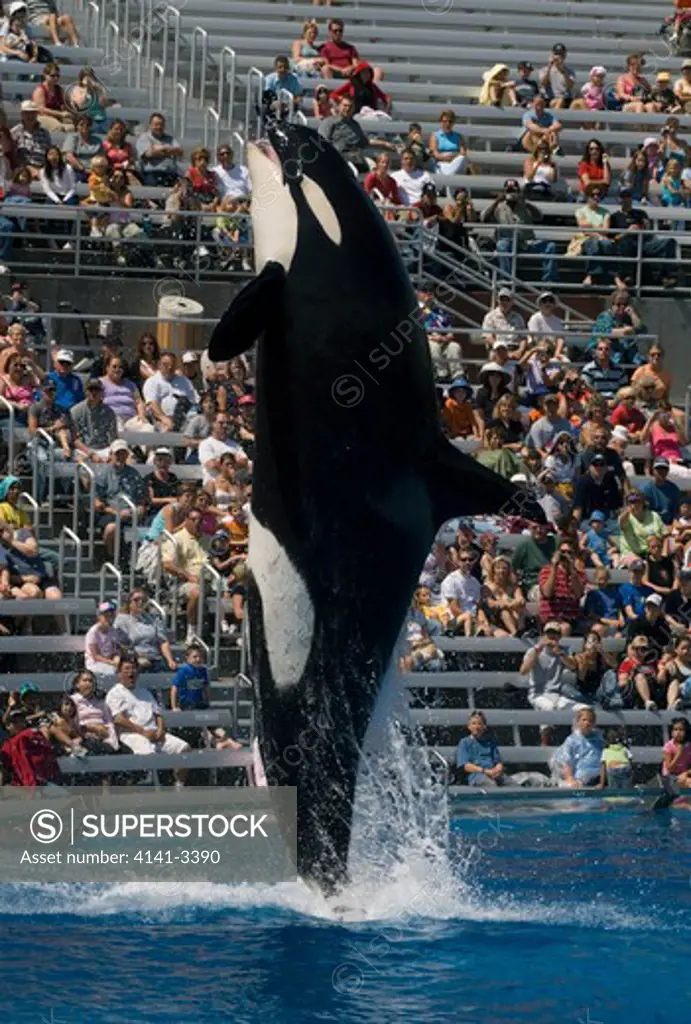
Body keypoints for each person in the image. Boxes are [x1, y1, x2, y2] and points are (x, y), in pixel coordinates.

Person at [105, 656, 190, 785]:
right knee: (149, 757)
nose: (131, 672)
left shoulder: (144, 691)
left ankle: (179, 786)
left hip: (155, 732)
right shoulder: (115, 693)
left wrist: (160, 730)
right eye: (126, 669)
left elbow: (158, 714)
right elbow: (118, 719)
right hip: (131, 734)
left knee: (184, 749)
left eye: (133, 669)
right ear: (119, 673)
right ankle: (150, 791)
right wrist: (143, 732)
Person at [481, 178, 557, 283]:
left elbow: (539, 216)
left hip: (527, 242)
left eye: (514, 191)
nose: (511, 194)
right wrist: (497, 201)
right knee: (502, 245)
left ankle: (548, 282)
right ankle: (506, 280)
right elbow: (484, 218)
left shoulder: (525, 205)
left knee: (550, 246)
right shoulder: (498, 206)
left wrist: (525, 202)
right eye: (508, 191)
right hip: (509, 243)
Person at [610, 191, 677, 289]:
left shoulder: (641, 213)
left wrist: (645, 227)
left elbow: (649, 232)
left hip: (644, 243)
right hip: (627, 245)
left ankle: (665, 277)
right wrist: (627, 232)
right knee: (626, 244)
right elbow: (614, 239)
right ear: (619, 200)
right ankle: (627, 276)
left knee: (670, 242)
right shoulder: (614, 217)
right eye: (623, 197)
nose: (626, 200)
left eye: (628, 197)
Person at [94, 439, 149, 558]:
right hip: (110, 513)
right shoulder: (103, 473)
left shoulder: (134, 474)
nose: (120, 457)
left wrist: (134, 512)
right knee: (111, 528)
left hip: (130, 514)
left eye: (123, 453)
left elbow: (141, 502)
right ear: (111, 455)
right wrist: (117, 512)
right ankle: (112, 556)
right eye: (117, 453)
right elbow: (97, 502)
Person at [161, 507, 207, 642]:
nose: (197, 522)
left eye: (199, 519)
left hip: (209, 581)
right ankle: (192, 631)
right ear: (186, 521)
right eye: (193, 519)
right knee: (196, 592)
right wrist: (188, 576)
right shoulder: (176, 539)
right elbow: (167, 564)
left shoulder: (206, 539)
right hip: (184, 582)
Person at [520, 623, 586, 713]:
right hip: (537, 694)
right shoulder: (533, 650)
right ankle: (546, 727)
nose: (552, 637)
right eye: (549, 634)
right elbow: (523, 671)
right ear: (543, 636)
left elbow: (573, 666)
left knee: (583, 709)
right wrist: (537, 651)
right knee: (550, 708)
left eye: (555, 634)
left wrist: (560, 653)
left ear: (559, 637)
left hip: (556, 694)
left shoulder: (564, 651)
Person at [0, 707, 61, 786]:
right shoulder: (7, 746)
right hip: (25, 785)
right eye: (15, 722)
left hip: (44, 780)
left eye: (21, 720)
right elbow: (7, 768)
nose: (19, 724)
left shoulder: (31, 733)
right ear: (8, 726)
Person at [538, 541, 586, 634]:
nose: (565, 555)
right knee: (563, 628)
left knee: (565, 627)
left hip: (571, 618)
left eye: (569, 552)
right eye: (563, 552)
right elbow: (547, 593)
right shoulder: (547, 570)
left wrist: (572, 570)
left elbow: (578, 594)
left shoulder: (578, 574)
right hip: (550, 617)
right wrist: (554, 568)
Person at [143, 351, 197, 432]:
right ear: (159, 365)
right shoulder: (152, 382)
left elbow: (193, 401)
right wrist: (164, 419)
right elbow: (152, 405)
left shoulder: (185, 381)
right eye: (165, 364)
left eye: (172, 364)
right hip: (159, 420)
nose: (169, 367)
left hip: (184, 419)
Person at [575, 189, 619, 288]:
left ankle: (614, 276)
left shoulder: (605, 212)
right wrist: (598, 231)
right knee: (594, 243)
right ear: (588, 197)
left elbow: (606, 230)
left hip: (602, 239)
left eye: (598, 195)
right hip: (586, 239)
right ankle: (591, 275)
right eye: (593, 194)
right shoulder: (580, 211)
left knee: (607, 244)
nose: (596, 197)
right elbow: (583, 229)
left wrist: (591, 226)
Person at [553, 708, 604, 787]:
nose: (587, 723)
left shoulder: (598, 739)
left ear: (594, 724)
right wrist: (570, 778)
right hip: (581, 777)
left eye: (590, 721)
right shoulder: (572, 740)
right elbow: (566, 761)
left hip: (598, 776)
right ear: (578, 721)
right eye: (584, 720)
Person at [70, 669, 118, 751]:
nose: (88, 683)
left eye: (91, 681)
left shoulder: (101, 702)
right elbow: (70, 724)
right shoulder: (72, 701)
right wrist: (90, 727)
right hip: (83, 736)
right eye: (85, 680)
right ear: (77, 684)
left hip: (103, 737)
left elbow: (109, 722)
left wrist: (107, 735)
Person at [71, 377, 118, 463]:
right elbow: (75, 440)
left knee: (119, 459)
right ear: (86, 392)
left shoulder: (109, 412)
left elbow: (113, 437)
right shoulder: (75, 411)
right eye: (91, 389)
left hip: (103, 448)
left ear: (102, 392)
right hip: (84, 449)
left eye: (97, 390)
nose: (94, 393)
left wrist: (112, 453)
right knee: (80, 460)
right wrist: (91, 454)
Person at [318, 95, 370, 171]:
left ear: (354, 108)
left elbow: (364, 142)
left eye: (350, 106)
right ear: (339, 106)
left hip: (355, 158)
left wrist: (384, 144)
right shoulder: (329, 122)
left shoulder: (355, 125)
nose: (347, 109)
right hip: (337, 158)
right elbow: (322, 142)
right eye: (345, 105)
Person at [100, 353, 149, 431]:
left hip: (131, 419)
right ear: (107, 368)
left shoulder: (131, 384)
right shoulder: (100, 383)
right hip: (112, 419)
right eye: (114, 366)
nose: (117, 369)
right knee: (119, 431)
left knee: (148, 429)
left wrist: (142, 415)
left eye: (120, 367)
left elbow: (139, 402)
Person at [440, 551, 484, 636]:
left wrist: (484, 622)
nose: (467, 562)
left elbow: (478, 607)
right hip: (453, 620)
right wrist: (475, 621)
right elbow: (454, 609)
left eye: (470, 560)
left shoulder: (475, 582)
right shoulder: (451, 580)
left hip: (473, 619)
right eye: (463, 560)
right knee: (469, 617)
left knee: (498, 633)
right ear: (458, 562)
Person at [456, 711, 504, 787]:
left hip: (494, 774)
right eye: (474, 723)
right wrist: (485, 771)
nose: (477, 727)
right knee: (492, 785)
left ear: (484, 726)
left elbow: (498, 762)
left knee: (514, 786)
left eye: (479, 724)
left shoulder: (490, 742)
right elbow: (466, 766)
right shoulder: (464, 742)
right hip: (477, 776)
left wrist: (498, 770)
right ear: (469, 726)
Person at [618, 635, 665, 710]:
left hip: (653, 690)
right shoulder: (627, 663)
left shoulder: (651, 662)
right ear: (633, 649)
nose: (642, 652)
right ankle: (647, 702)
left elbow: (661, 667)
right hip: (634, 695)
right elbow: (622, 683)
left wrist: (662, 671)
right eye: (639, 649)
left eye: (645, 649)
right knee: (640, 676)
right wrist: (631, 673)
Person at [135, 112, 183, 187]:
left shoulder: (170, 138)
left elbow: (180, 151)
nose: (159, 127)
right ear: (150, 125)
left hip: (171, 174)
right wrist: (167, 148)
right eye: (156, 124)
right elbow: (149, 154)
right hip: (152, 174)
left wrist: (157, 148)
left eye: (161, 124)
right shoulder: (144, 138)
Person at [512, 519, 556, 599]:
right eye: (535, 527)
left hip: (556, 581)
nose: (538, 530)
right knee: (545, 594)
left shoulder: (556, 542)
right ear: (529, 528)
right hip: (534, 585)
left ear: (547, 527)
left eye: (541, 527)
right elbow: (512, 569)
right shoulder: (524, 546)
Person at [198, 412, 245, 486]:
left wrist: (219, 462)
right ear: (213, 424)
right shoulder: (206, 444)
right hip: (214, 486)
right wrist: (232, 467)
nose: (225, 426)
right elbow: (212, 465)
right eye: (221, 423)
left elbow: (244, 461)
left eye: (227, 423)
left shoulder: (235, 445)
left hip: (233, 485)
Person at [482, 555, 525, 636]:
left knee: (520, 608)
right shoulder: (487, 587)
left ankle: (521, 631)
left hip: (514, 617)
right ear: (493, 570)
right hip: (495, 620)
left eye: (504, 568)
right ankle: (515, 632)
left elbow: (521, 600)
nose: (501, 570)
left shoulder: (513, 587)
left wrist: (507, 603)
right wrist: (510, 603)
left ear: (509, 570)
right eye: (498, 568)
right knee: (504, 611)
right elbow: (491, 604)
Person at [618, 491, 666, 560]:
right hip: (633, 553)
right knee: (639, 564)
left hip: (654, 551)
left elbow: (665, 534)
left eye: (637, 501)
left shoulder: (654, 515)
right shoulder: (626, 517)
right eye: (631, 502)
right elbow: (621, 522)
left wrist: (664, 553)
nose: (635, 504)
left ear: (643, 502)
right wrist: (627, 511)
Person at [84, 599, 126, 678]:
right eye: (106, 615)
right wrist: (111, 662)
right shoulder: (93, 632)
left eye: (111, 615)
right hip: (94, 663)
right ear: (99, 616)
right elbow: (95, 656)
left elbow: (116, 649)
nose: (109, 618)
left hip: (109, 662)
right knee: (112, 672)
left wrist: (117, 658)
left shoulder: (113, 631)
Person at [11, 99, 51, 177]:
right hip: (23, 170)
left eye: (33, 113)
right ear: (22, 114)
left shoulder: (44, 133)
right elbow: (13, 157)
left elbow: (48, 154)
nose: (30, 116)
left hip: (42, 169)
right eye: (27, 113)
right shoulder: (14, 132)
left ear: (36, 114)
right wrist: (29, 169)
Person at [31, 62, 74, 134]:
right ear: (45, 75)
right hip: (42, 117)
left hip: (57, 117)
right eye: (53, 76)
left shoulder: (59, 89)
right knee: (57, 127)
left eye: (58, 76)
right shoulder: (40, 90)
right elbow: (41, 110)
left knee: (72, 127)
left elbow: (66, 104)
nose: (56, 78)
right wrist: (60, 114)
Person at [170, 642, 210, 710]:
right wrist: (174, 707)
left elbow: (205, 687)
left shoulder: (203, 670)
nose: (198, 659)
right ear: (187, 658)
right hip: (186, 704)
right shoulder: (183, 670)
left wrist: (207, 702)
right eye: (195, 657)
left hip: (198, 703)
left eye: (200, 657)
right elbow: (174, 688)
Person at [429, 110, 467, 177]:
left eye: (450, 121)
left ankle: (449, 182)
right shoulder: (435, 136)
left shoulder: (459, 136)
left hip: (455, 162)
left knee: (462, 158)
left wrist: (452, 156)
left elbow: (463, 153)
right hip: (442, 162)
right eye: (445, 121)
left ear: (453, 123)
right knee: (447, 170)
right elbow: (434, 154)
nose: (448, 124)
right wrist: (445, 157)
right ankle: (450, 182)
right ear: (440, 122)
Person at [539, 42, 576, 109]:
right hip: (549, 98)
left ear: (564, 55)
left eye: (561, 54)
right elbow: (543, 83)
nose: (559, 56)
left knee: (579, 102)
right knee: (559, 101)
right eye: (556, 54)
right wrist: (549, 67)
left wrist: (563, 71)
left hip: (566, 99)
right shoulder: (544, 70)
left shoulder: (569, 71)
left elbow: (570, 86)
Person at [659, 638, 691, 709]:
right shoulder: (670, 664)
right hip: (677, 698)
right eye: (683, 648)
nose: (686, 651)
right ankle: (672, 706)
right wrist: (662, 669)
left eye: (688, 649)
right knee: (675, 682)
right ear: (676, 649)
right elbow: (660, 681)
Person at [662, 718, 691, 785]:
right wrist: (678, 754)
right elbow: (669, 769)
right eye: (675, 729)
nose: (678, 732)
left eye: (681, 730)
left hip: (684, 775)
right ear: (672, 732)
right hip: (670, 778)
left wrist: (686, 773)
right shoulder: (668, 746)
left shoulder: (689, 747)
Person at [665, 568, 691, 634]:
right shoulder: (673, 595)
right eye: (681, 580)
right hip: (675, 626)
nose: (684, 582)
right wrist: (676, 625)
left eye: (687, 580)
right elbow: (667, 615)